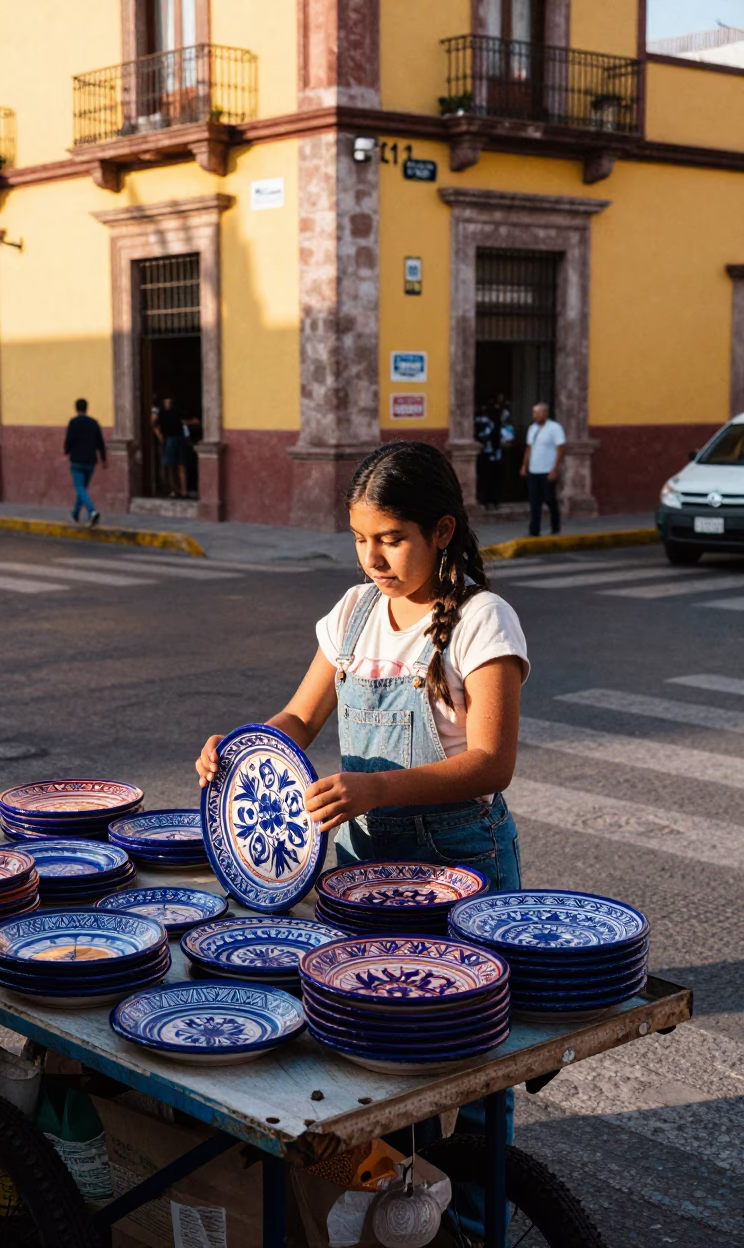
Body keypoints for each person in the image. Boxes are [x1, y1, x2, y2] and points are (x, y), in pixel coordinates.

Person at [196, 440, 529, 1240]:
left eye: (392, 538)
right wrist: (238, 746)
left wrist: (375, 788)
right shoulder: (349, 613)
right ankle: (383, 1209)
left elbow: (493, 764)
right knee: (367, 1044)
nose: (374, 557)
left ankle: (475, 1219)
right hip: (359, 863)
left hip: (461, 864)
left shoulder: (484, 619)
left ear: (442, 530)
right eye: (360, 539)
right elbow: (299, 719)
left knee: (471, 1055)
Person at [520, 401, 566, 537]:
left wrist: (555, 469)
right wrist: (524, 465)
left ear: (545, 413)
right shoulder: (532, 428)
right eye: (534, 412)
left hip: (547, 471)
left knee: (550, 499)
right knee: (534, 502)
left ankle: (555, 526)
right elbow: (529, 448)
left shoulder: (555, 428)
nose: (534, 415)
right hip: (534, 471)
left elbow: (561, 449)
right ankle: (534, 531)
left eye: (537, 412)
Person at [64, 398, 105, 526]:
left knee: (80, 488)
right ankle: (75, 514)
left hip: (77, 460)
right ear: (87, 408)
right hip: (91, 461)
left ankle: (92, 511)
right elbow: (100, 442)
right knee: (82, 489)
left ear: (76, 409)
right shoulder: (94, 423)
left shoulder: (73, 422)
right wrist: (104, 458)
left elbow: (69, 440)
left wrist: (66, 450)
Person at [151, 396, 188, 498]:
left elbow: (184, 421)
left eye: (169, 401)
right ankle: (175, 489)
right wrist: (160, 436)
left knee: (180, 465)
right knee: (171, 466)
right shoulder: (161, 413)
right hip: (170, 439)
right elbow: (153, 424)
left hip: (178, 438)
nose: (167, 403)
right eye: (166, 401)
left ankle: (183, 490)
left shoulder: (176, 411)